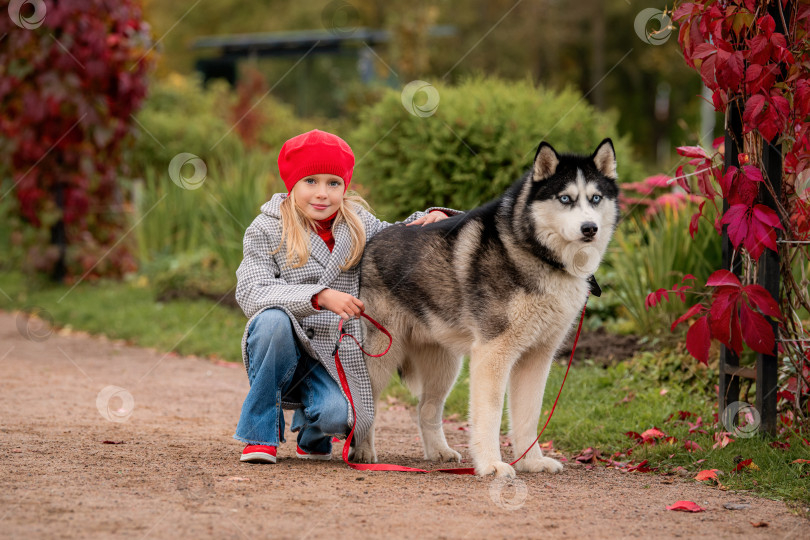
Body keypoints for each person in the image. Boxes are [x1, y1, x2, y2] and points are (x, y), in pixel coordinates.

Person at [233, 129, 458, 463]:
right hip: (280, 344)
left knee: (341, 418)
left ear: (345, 187)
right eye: (310, 181)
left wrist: (434, 219)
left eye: (333, 183)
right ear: (291, 184)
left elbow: (395, 236)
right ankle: (259, 434)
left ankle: (313, 426)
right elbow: (251, 291)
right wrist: (319, 296)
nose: (322, 194)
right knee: (272, 321)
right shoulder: (266, 228)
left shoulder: (355, 223)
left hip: (330, 354)